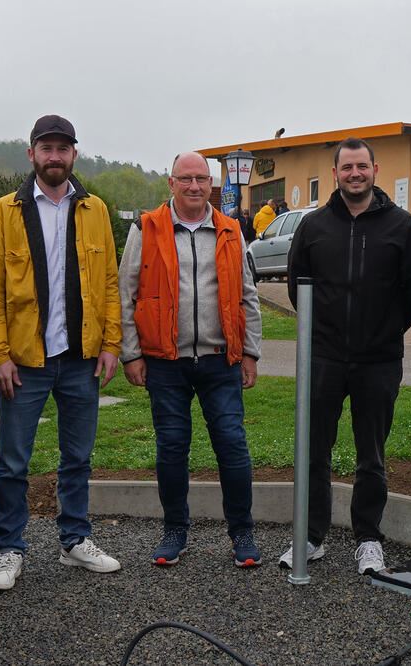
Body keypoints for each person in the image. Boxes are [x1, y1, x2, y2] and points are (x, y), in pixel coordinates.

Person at [0, 114, 123, 590]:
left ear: (74, 154)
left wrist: (111, 344)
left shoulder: (94, 209)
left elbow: (109, 282)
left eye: (63, 148)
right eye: (47, 148)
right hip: (24, 362)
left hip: (81, 357)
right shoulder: (5, 211)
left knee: (77, 457)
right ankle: (9, 550)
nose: (55, 156)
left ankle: (74, 542)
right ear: (32, 154)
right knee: (14, 461)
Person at [283, 137, 411, 575]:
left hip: (378, 360)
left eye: (362, 166)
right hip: (322, 358)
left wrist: (382, 331)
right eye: (347, 168)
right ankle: (310, 536)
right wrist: (323, 332)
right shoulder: (314, 226)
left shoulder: (403, 227)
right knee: (314, 450)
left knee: (371, 455)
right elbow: (295, 284)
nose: (355, 174)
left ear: (375, 171)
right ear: (336, 174)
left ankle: (368, 539)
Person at [119, 151, 263, 568]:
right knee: (171, 449)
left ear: (210, 184)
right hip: (165, 362)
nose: (195, 187)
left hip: (221, 361)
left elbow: (247, 296)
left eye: (202, 179)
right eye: (187, 179)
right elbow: (126, 296)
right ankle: (174, 531)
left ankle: (242, 533)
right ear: (171, 183)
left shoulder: (231, 230)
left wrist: (250, 351)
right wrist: (131, 354)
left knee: (233, 447)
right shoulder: (145, 229)